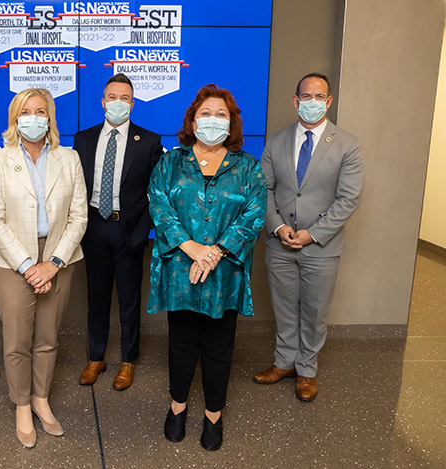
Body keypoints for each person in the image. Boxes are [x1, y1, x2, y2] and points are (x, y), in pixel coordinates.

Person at [148, 84, 266, 451]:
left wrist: (214, 252)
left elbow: (255, 212)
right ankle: (177, 407)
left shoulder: (247, 167)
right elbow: (158, 204)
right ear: (192, 120)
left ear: (231, 123)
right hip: (181, 270)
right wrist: (193, 248)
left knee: (218, 345)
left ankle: (214, 415)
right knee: (181, 343)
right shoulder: (171, 162)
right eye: (205, 114)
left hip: (224, 273)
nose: (212, 121)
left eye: (221, 115)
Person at [0, 88, 88, 448]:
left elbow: (79, 216)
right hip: (14, 260)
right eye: (26, 111)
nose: (33, 117)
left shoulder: (68, 158)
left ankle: (42, 399)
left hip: (59, 258)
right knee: (17, 341)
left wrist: (53, 263)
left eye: (40, 110)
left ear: (50, 117)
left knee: (47, 337)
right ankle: (22, 405)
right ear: (15, 118)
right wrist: (29, 266)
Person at [253, 73, 364, 402]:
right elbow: (264, 190)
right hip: (280, 242)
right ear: (295, 100)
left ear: (328, 101)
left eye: (319, 97)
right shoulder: (276, 141)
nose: (312, 102)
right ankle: (284, 362)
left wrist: (312, 234)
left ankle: (307, 371)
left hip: (322, 247)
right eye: (306, 96)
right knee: (284, 308)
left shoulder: (348, 145)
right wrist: (277, 226)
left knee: (315, 311)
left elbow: (348, 199)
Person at [73, 73, 163, 390]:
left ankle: (127, 360)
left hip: (129, 230)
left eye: (125, 98)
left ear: (132, 103)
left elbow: (157, 192)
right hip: (94, 228)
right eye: (112, 97)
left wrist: (142, 232)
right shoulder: (83, 139)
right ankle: (96, 357)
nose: (118, 103)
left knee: (129, 299)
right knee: (96, 297)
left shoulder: (149, 141)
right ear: (103, 101)